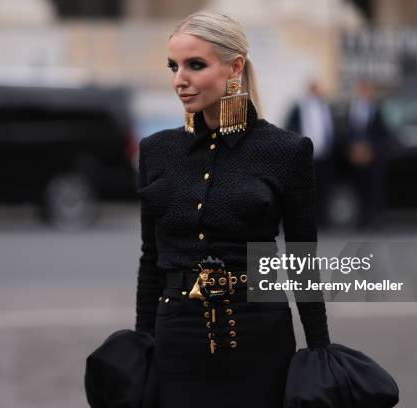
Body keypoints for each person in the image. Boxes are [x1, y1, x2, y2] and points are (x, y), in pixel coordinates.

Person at [135, 10, 330, 408]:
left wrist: (320, 352)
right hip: (175, 338)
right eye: (173, 66)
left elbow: (301, 260)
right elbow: (151, 259)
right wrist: (141, 346)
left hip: (259, 333)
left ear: (234, 67)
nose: (179, 79)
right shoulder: (156, 150)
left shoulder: (286, 151)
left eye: (195, 65)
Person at [285, 82, 335, 228]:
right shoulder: (299, 107)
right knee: (303, 191)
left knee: (323, 189)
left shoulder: (325, 107)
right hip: (304, 157)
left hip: (324, 157)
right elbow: (290, 129)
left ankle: (322, 221)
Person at [345, 80, 387, 230]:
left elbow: (382, 134)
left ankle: (375, 218)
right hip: (357, 156)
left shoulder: (377, 109)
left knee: (374, 188)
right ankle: (362, 218)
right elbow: (349, 133)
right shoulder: (353, 109)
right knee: (359, 188)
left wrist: (371, 149)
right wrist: (354, 149)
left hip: (373, 157)